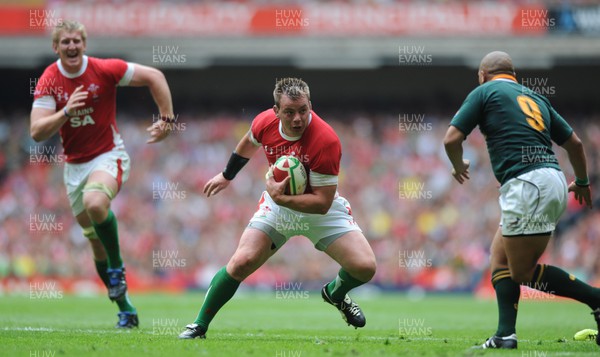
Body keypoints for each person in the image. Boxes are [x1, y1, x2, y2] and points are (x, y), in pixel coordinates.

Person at [178, 77, 377, 339]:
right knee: (241, 262)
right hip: (279, 206)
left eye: (303, 110)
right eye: (289, 112)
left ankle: (335, 294)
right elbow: (248, 144)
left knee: (365, 267)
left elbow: (322, 203)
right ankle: (199, 325)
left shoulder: (326, 140)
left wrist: (282, 199)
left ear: (310, 106)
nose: (297, 118)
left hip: (317, 207)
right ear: (276, 111)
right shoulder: (264, 122)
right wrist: (227, 175)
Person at [444, 51, 597, 349]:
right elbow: (575, 144)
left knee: (522, 271)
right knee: (499, 258)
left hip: (527, 183)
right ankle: (505, 335)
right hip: (552, 179)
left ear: (483, 74)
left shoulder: (484, 91)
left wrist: (458, 164)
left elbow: (451, 139)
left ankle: (596, 299)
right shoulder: (536, 98)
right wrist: (581, 182)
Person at [30, 20, 174, 328]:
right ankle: (125, 308)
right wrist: (66, 111)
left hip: (109, 155)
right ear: (56, 47)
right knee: (95, 243)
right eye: (65, 42)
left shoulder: (104, 70)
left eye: (76, 41)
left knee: (96, 203)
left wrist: (166, 118)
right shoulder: (48, 80)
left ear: (84, 43)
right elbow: (37, 131)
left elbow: (154, 76)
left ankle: (117, 267)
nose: (71, 46)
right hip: (74, 166)